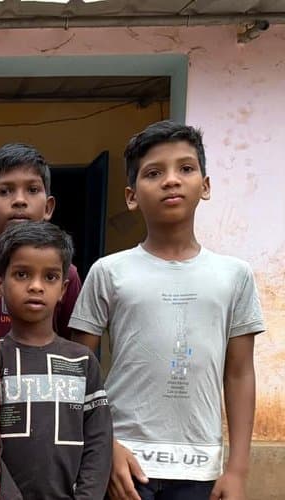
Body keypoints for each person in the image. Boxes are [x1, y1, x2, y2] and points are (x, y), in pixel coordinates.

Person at [69, 120, 265, 500]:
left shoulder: (234, 275)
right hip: (125, 463)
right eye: (154, 173)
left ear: (205, 186)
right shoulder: (109, 272)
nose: (171, 180)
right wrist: (105, 447)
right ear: (131, 195)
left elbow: (239, 374)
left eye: (186, 168)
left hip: (200, 468)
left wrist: (237, 470)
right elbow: (80, 370)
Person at [0, 221, 111, 499]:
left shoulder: (81, 360)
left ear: (63, 289)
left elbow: (99, 439)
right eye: (22, 274)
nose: (36, 286)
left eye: (50, 277)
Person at [0, 144, 81, 339]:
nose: (19, 200)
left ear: (48, 208)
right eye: (4, 191)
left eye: (32, 190)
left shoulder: (65, 272)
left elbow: (72, 346)